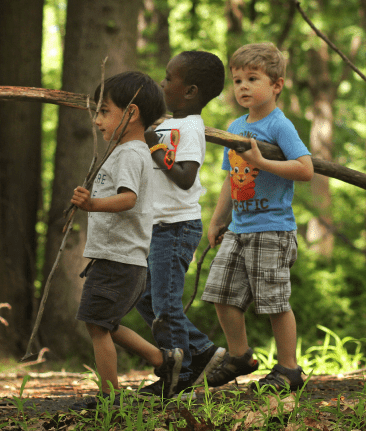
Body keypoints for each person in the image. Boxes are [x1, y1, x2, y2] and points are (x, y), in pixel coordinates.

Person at [201, 42, 313, 393]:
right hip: (239, 227)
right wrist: (218, 219)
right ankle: (240, 356)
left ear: (277, 85)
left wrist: (262, 162)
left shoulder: (280, 126)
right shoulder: (235, 126)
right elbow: (230, 179)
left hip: (272, 228)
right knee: (220, 293)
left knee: (274, 301)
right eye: (237, 81)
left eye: (253, 78)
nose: (243, 87)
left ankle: (289, 368)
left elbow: (305, 169)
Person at [69, 71, 182, 410]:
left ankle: (109, 398)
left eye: (104, 111)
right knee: (105, 323)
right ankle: (163, 360)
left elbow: (128, 198)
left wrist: (92, 204)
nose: (96, 119)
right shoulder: (124, 152)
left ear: (131, 113)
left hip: (119, 259)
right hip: (117, 258)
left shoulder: (131, 153)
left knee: (97, 327)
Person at [135, 51, 227, 399]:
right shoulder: (164, 123)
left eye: (169, 77)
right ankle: (202, 350)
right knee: (146, 298)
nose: (162, 82)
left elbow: (185, 178)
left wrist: (155, 144)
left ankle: (181, 372)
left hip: (176, 227)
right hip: (155, 225)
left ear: (189, 91)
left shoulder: (190, 128)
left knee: (165, 304)